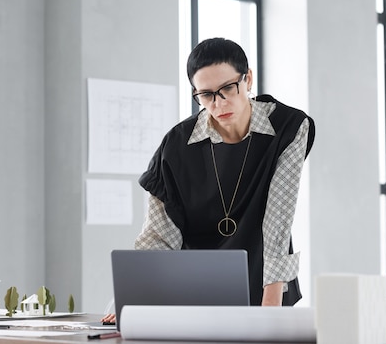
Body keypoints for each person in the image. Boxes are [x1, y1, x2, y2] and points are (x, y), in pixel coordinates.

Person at [101, 37, 314, 323]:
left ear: (248, 79)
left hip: (265, 286)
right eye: (206, 95)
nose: (219, 103)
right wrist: (129, 297)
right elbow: (160, 234)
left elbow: (278, 218)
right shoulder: (176, 146)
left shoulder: (289, 127)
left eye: (228, 88)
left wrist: (271, 310)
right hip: (195, 292)